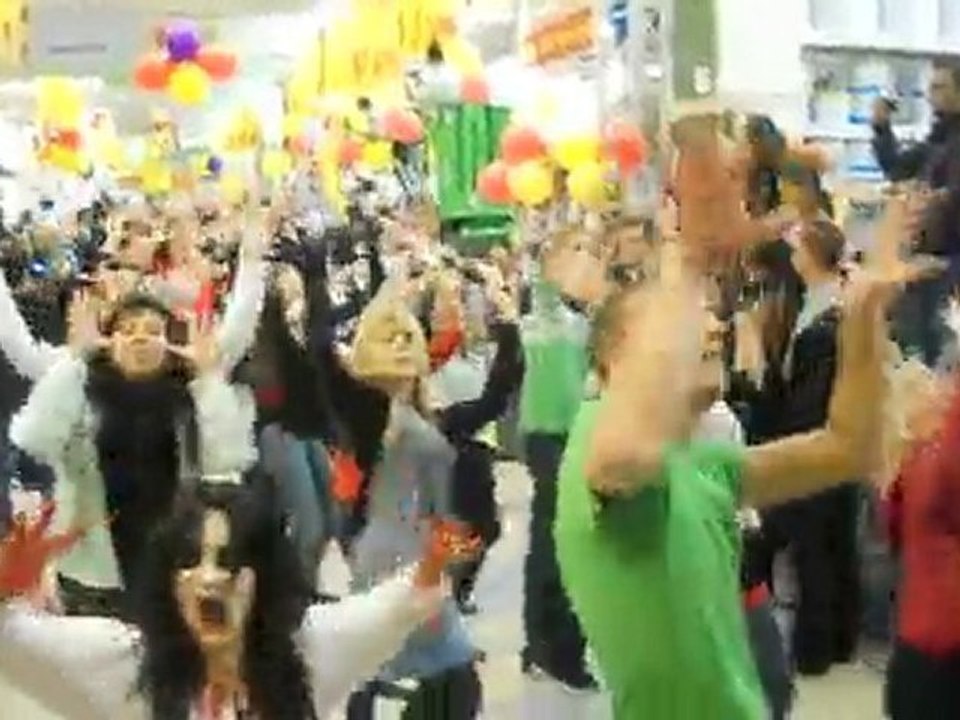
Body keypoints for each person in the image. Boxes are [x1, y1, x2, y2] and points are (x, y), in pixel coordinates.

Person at [554, 202, 924, 718]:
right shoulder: (596, 436)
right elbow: (617, 463)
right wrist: (682, 257)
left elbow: (847, 448)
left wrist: (860, 315)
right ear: (617, 354)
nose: (713, 324)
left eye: (708, 312)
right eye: (688, 319)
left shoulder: (702, 462)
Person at [0, 473, 478, 719]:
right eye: (191, 560)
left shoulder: (311, 651)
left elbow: (387, 609)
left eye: (228, 561)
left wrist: (431, 566)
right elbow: (16, 642)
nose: (209, 578)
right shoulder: (121, 664)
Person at [872, 57, 960, 366]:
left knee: (935, 352)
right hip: (923, 260)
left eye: (939, 87)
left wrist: (934, 201)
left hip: (948, 264)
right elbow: (897, 167)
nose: (930, 94)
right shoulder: (938, 140)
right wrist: (882, 127)